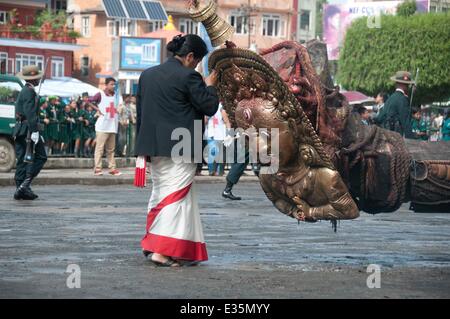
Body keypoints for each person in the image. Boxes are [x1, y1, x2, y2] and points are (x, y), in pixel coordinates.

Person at [135, 34, 219, 267]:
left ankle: (153, 243)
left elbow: (140, 115)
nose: (197, 66)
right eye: (197, 61)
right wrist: (210, 87)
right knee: (175, 197)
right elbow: (209, 106)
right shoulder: (189, 76)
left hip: (152, 146)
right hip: (181, 147)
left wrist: (141, 151)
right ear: (190, 56)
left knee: (162, 193)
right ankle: (161, 250)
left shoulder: (147, 75)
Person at [13, 65, 48, 200]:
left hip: (22, 129)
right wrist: (34, 131)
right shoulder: (29, 91)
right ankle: (24, 186)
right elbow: (29, 113)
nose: (39, 79)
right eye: (36, 77)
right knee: (41, 157)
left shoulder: (26, 90)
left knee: (22, 159)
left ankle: (21, 188)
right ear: (32, 79)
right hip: (28, 130)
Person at [91, 77, 122, 176]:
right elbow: (88, 101)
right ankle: (97, 168)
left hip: (112, 126)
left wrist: (120, 109)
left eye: (114, 84)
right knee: (99, 148)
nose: (113, 86)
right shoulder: (100, 94)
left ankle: (112, 168)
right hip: (102, 127)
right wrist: (97, 109)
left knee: (111, 149)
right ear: (106, 85)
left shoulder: (117, 96)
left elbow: (120, 107)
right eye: (111, 84)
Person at [381, 71, 415, 138]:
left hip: (386, 135)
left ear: (396, 84)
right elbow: (405, 122)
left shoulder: (390, 98)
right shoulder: (403, 99)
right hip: (396, 136)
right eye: (407, 85)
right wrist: (412, 138)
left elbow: (381, 117)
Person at [204, 103, 230, 176]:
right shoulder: (207, 107)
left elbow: (227, 121)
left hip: (220, 134)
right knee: (212, 152)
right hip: (210, 133)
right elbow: (205, 122)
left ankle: (219, 171)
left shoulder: (221, 108)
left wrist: (229, 134)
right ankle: (212, 171)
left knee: (220, 153)